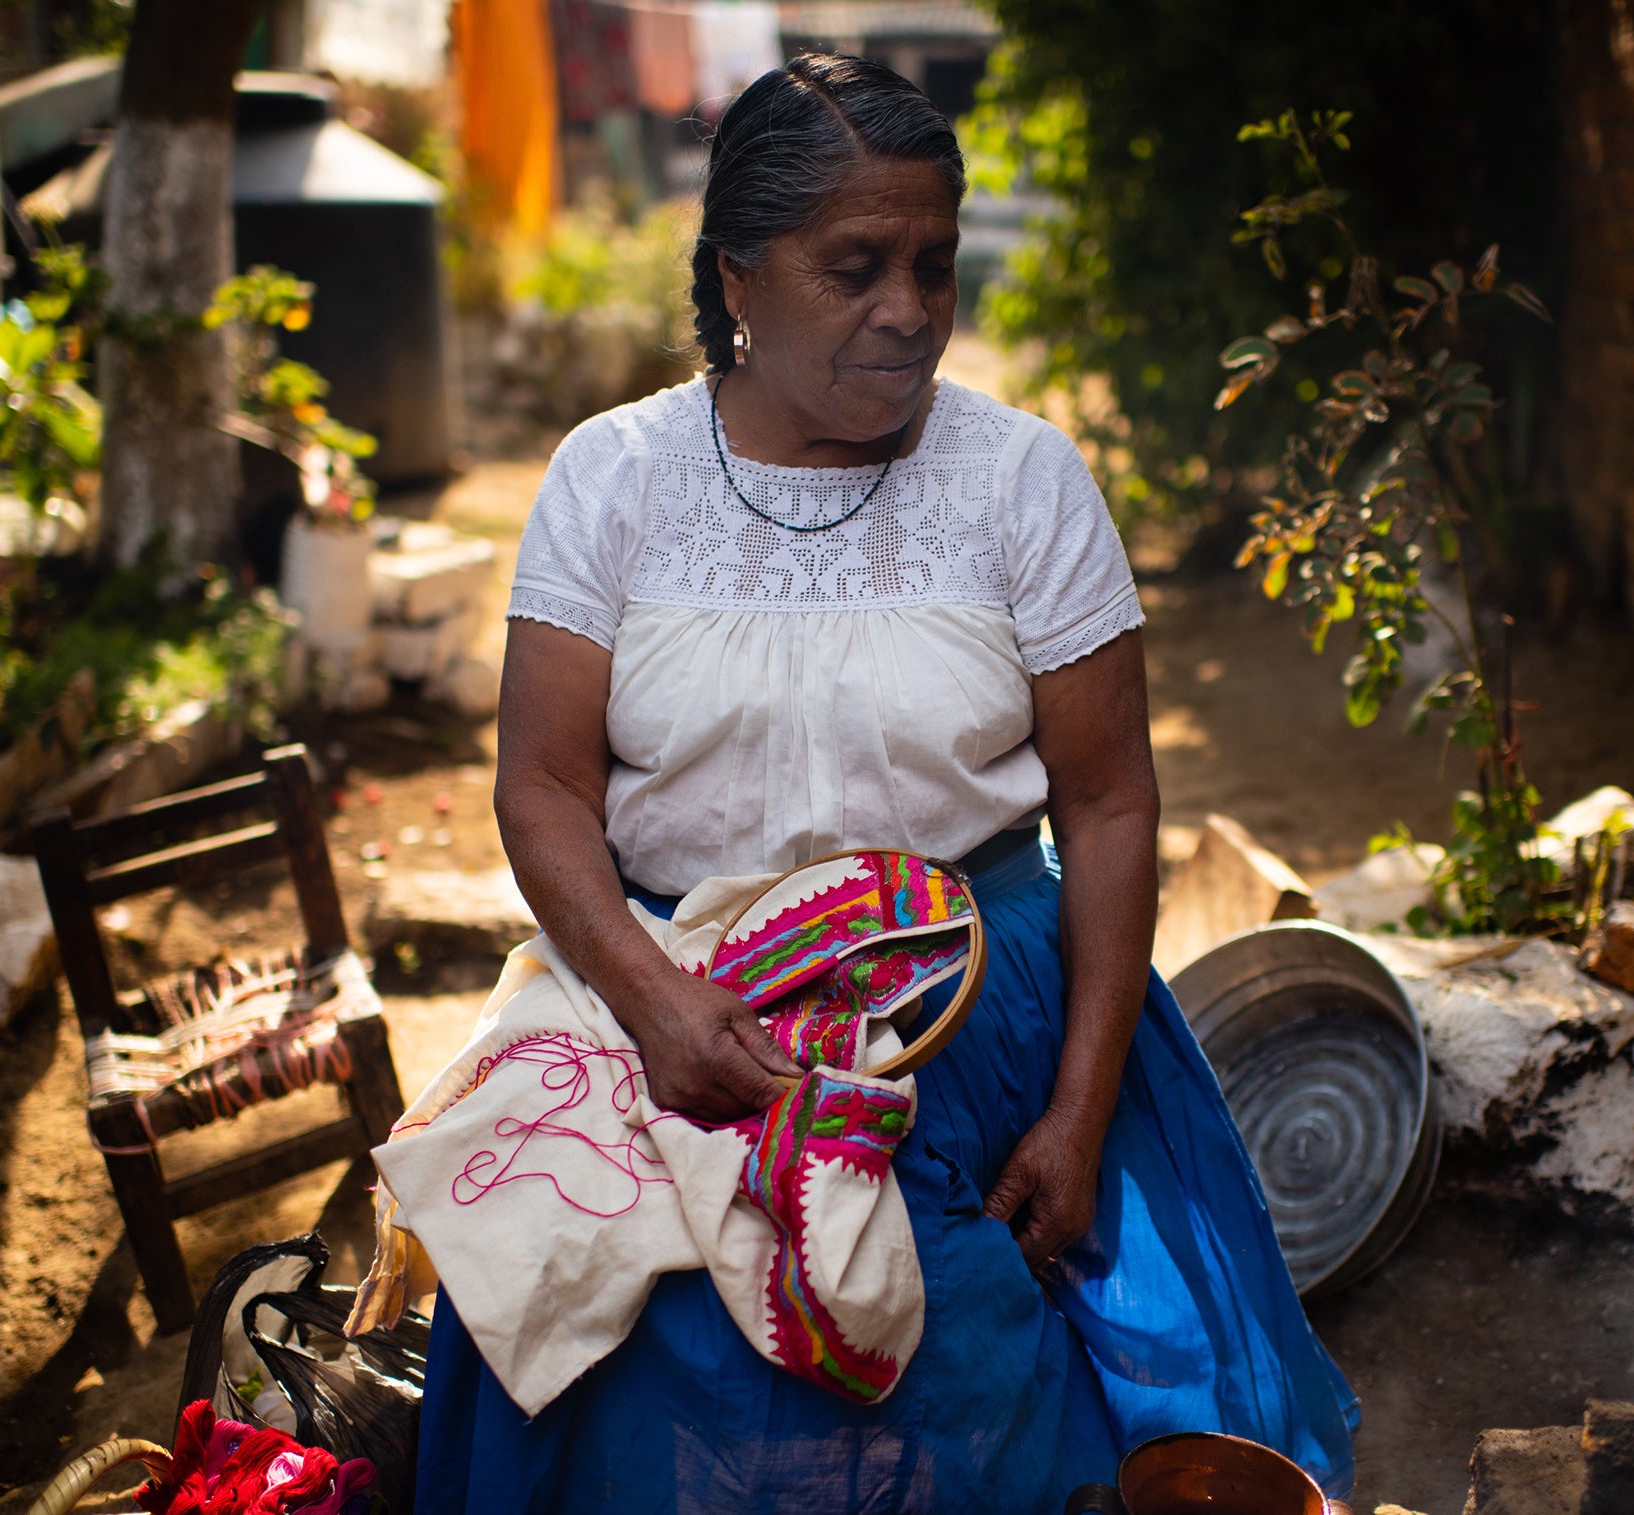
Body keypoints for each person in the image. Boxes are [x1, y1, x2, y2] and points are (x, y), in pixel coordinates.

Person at [415, 53, 1358, 1515]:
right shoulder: (614, 478)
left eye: (933, 265)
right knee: (648, 1349)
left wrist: (1079, 1105)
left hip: (977, 1021)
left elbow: (1107, 807)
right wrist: (655, 1006)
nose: (908, 310)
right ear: (737, 275)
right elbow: (539, 786)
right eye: (854, 267)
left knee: (956, 1361)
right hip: (681, 998)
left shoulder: (1021, 483)